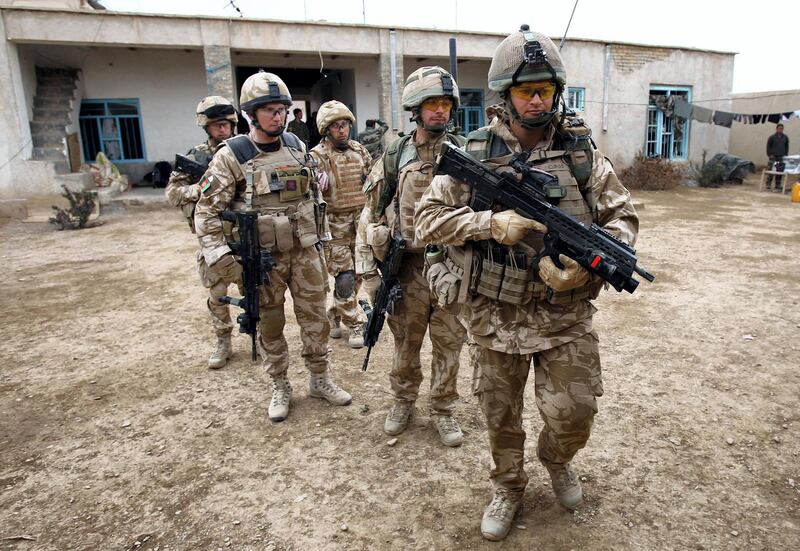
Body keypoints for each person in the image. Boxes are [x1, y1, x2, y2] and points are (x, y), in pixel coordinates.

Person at [415, 26, 639, 541]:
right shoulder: (473, 155)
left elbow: (621, 218)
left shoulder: (582, 154)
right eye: (525, 91)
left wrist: (588, 266)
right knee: (500, 417)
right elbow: (426, 221)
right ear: (505, 95)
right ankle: (509, 486)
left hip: (565, 317)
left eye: (545, 90)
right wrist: (488, 224)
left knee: (574, 415)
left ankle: (556, 460)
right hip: (495, 317)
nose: (538, 100)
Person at [194, 71, 352, 422]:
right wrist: (223, 257)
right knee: (270, 321)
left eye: (282, 109)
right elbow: (205, 212)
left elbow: (314, 194)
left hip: (305, 251)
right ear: (252, 114)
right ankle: (280, 383)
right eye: (269, 110)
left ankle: (319, 378)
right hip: (263, 258)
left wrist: (322, 235)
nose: (278, 116)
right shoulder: (232, 155)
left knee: (315, 318)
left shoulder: (297, 147)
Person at [356, 66, 467, 448]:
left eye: (446, 104)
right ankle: (403, 401)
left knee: (449, 341)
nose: (441, 111)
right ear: (415, 110)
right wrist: (370, 268)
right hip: (407, 268)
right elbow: (372, 212)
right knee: (405, 341)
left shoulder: (466, 152)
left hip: (453, 265)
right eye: (432, 104)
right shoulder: (395, 154)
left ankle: (443, 408)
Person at [164, 95, 241, 369]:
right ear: (206, 127)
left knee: (256, 290)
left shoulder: (244, 149)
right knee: (217, 293)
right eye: (216, 125)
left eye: (226, 124)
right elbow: (172, 194)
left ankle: (260, 334)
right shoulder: (195, 157)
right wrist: (196, 191)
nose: (222, 130)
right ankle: (223, 340)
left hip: (244, 235)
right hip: (212, 237)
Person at [310, 101, 373, 349]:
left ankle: (335, 313)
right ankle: (355, 322)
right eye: (336, 126)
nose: (342, 131)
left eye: (345, 125)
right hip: (333, 225)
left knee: (357, 274)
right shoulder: (318, 157)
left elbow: (372, 180)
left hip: (359, 223)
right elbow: (307, 193)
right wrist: (315, 184)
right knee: (344, 276)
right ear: (327, 130)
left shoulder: (359, 151)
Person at [766, 123, 789, 192]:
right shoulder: (772, 137)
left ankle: (778, 184)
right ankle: (768, 183)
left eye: (781, 129)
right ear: (776, 129)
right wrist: (769, 154)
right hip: (773, 157)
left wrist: (786, 154)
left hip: (781, 157)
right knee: (771, 170)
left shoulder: (785, 137)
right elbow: (768, 146)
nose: (780, 130)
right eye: (779, 128)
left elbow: (786, 146)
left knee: (779, 171)